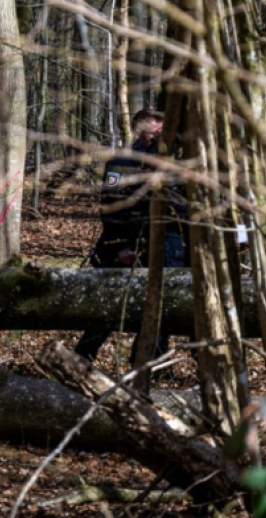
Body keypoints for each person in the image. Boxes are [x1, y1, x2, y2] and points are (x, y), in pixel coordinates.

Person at [75, 109, 189, 365]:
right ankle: (83, 355)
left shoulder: (173, 161)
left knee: (163, 303)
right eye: (155, 125)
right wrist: (120, 246)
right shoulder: (120, 162)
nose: (161, 129)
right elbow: (112, 206)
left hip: (167, 243)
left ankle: (149, 363)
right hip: (127, 243)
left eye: (163, 124)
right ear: (140, 130)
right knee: (114, 304)